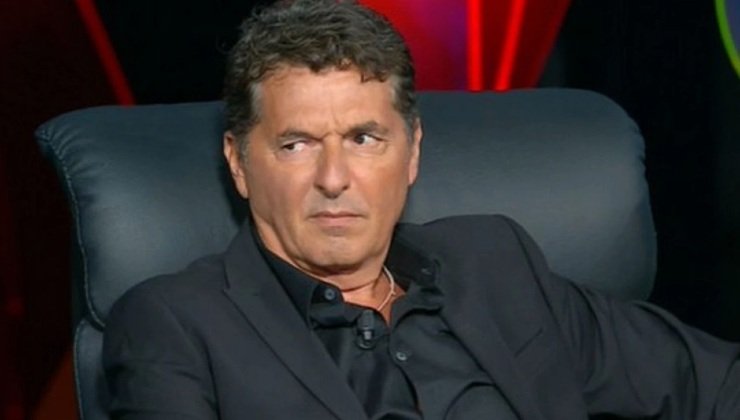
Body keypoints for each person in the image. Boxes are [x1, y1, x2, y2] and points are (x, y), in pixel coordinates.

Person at [103, 1, 740, 418]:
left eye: (364, 139)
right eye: (297, 145)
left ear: (411, 154)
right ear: (240, 162)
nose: (334, 179)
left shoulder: (495, 259)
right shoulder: (175, 323)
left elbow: (711, 382)